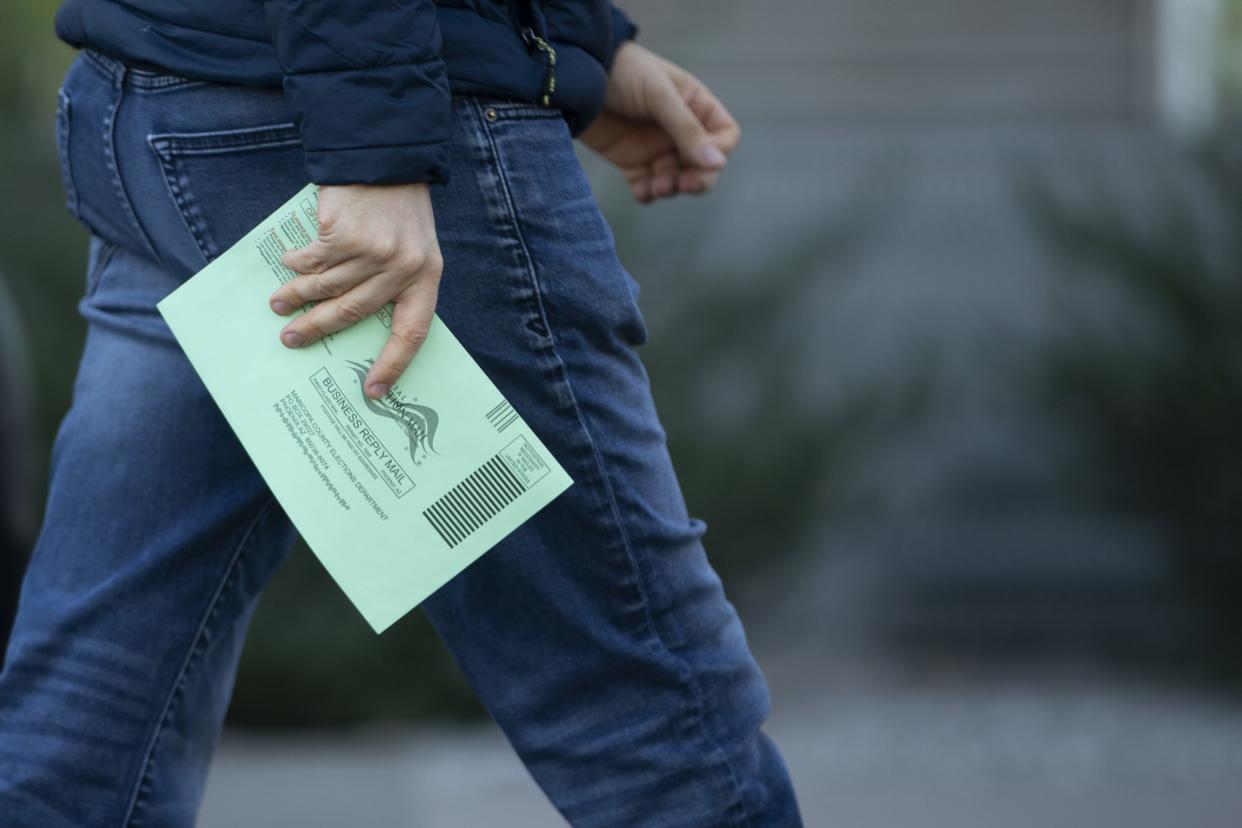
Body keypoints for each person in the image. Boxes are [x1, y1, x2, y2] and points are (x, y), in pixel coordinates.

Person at [0, 0, 804, 824]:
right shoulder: (366, 145)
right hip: (342, 139)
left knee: (88, 724)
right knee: (660, 720)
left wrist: (571, 42)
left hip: (158, 95)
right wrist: (374, 152)